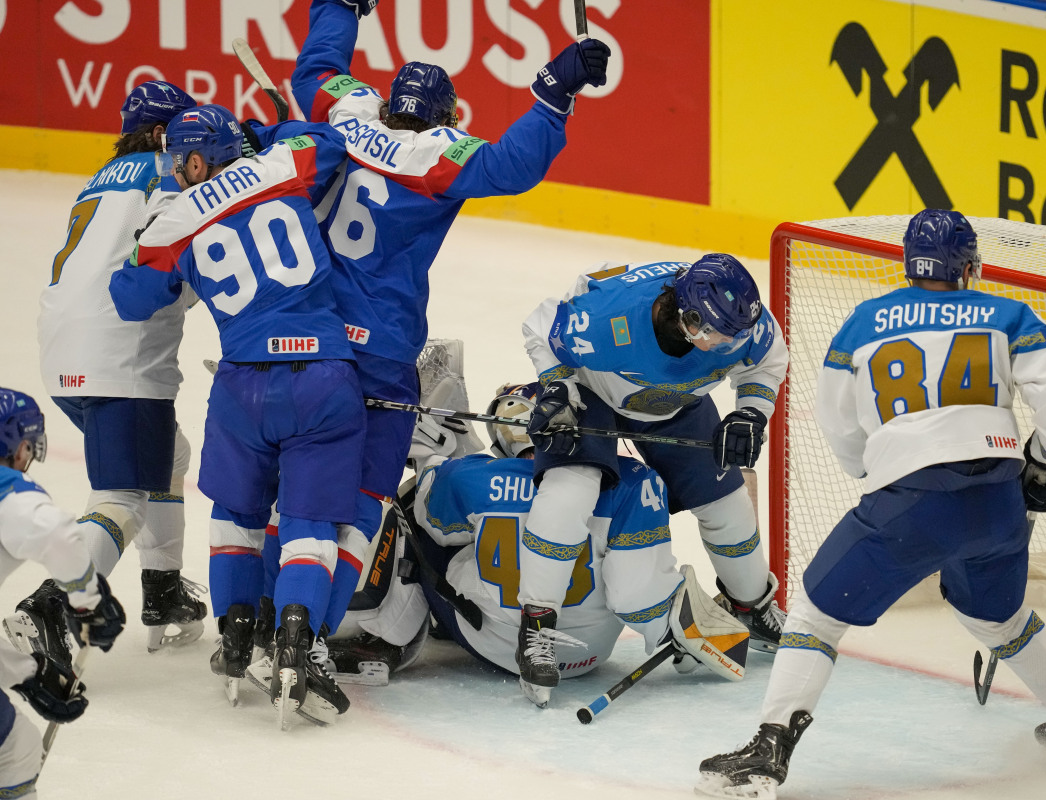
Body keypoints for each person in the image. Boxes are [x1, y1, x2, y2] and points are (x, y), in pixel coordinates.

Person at [695, 209, 1046, 799]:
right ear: (968, 266)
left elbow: (837, 422)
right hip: (998, 499)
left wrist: (877, 474)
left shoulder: (866, 320)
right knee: (997, 615)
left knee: (816, 613)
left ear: (908, 262)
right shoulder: (1008, 314)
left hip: (911, 498)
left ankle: (768, 749)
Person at [279, 0, 612, 645]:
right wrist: (555, 90)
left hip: (306, 334)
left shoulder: (347, 117)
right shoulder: (439, 152)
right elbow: (512, 166)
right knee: (363, 497)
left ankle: (270, 613)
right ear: (449, 117)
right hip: (379, 349)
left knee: (293, 483)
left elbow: (317, 69)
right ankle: (315, 633)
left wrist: (339, 9)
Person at [107, 104, 365, 727]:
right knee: (309, 519)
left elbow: (130, 298)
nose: (173, 172)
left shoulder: (174, 218)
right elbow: (332, 140)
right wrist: (267, 134)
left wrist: (149, 238)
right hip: (323, 377)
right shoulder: (282, 164)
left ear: (198, 160)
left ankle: (235, 637)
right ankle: (298, 647)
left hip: (242, 384)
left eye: (179, 162)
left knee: (235, 516)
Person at [324, 383, 750, 707]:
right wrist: (676, 633)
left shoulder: (467, 477)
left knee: (411, 509)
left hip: (497, 645)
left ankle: (386, 637)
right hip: (592, 654)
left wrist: (437, 462)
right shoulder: (634, 480)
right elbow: (636, 596)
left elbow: (437, 530)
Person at [516, 253, 789, 700]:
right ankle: (537, 628)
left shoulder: (742, 319)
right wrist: (557, 389)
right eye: (717, 335)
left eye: (733, 336)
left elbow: (765, 362)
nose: (728, 345)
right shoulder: (605, 319)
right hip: (595, 390)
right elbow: (541, 325)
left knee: (726, 505)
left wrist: (750, 413)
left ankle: (752, 606)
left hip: (676, 402)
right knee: (569, 493)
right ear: (687, 317)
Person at [26, 80, 206, 659]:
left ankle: (163, 589)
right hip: (120, 355)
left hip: (62, 353)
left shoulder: (101, 179)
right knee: (123, 495)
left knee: (169, 457)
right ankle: (50, 604)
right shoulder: (168, 172)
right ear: (161, 134)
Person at [1, 388, 126, 796]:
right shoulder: (13, 498)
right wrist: (87, 600)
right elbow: (57, 535)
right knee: (15, 750)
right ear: (21, 446)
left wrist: (27, 673)